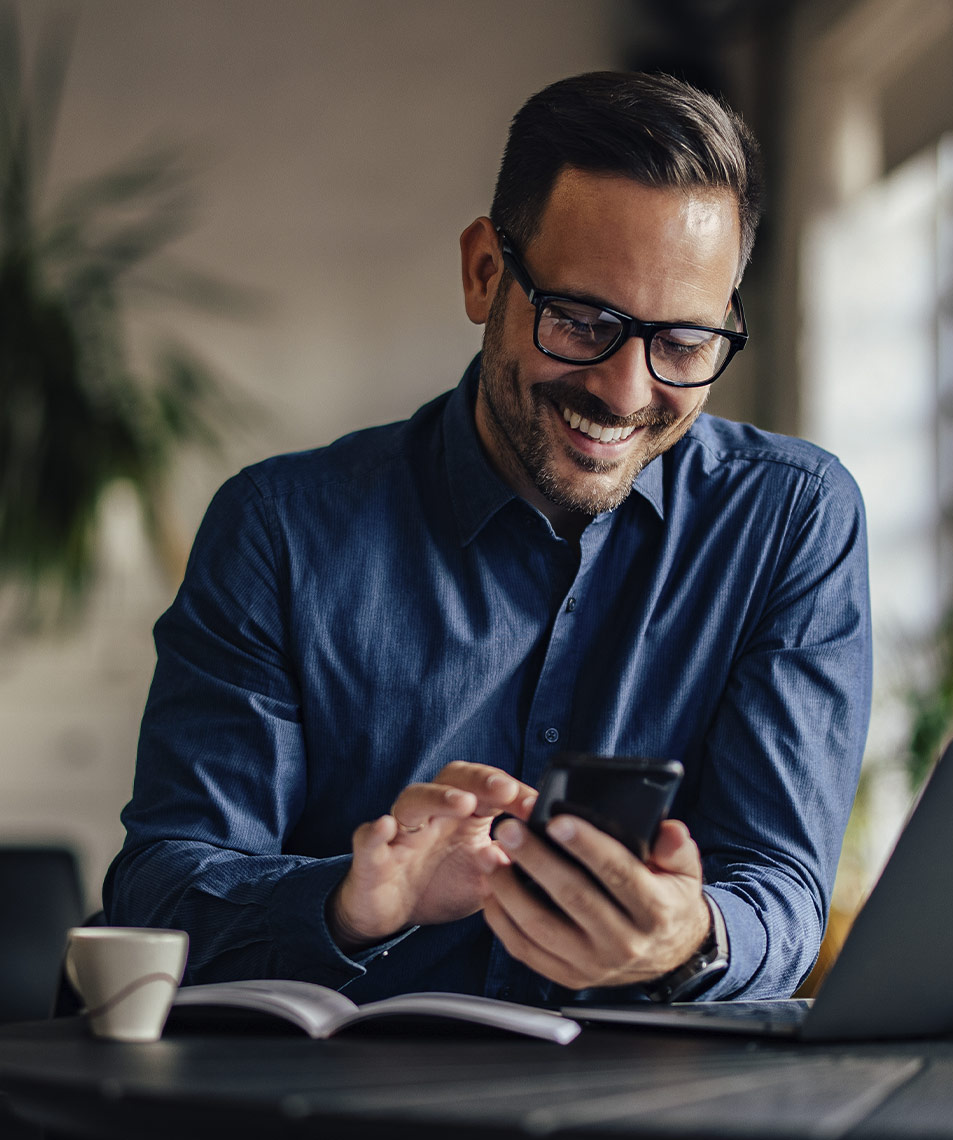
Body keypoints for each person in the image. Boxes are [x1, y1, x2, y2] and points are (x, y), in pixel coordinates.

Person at [103, 71, 871, 1007]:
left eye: (681, 343)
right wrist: (350, 906)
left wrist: (691, 939)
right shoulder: (280, 530)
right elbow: (163, 890)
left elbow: (781, 888)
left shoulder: (792, 519)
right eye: (582, 321)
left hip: (645, 1086)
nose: (626, 393)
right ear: (483, 273)